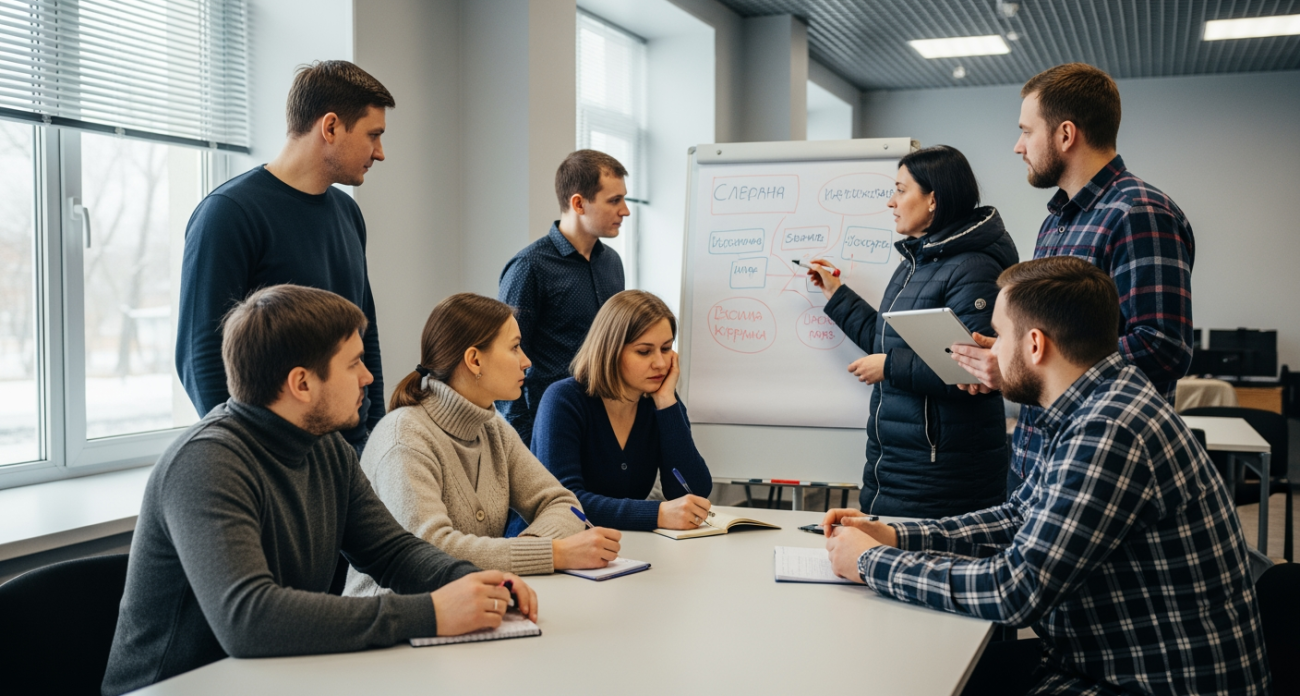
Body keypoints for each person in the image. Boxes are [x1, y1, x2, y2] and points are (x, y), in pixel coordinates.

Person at [823, 257, 1267, 696]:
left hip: (1143, 682)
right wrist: (897, 535)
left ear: (1034, 345)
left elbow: (1014, 590)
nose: (991, 350)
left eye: (999, 336)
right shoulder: (1095, 401)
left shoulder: (1109, 429)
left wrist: (869, 562)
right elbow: (1020, 516)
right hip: (1103, 662)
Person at [103, 285, 538, 696]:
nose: (368, 376)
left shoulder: (326, 447)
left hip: (272, 678)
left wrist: (469, 579)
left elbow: (391, 552)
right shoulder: (206, 464)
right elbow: (249, 620)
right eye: (353, 364)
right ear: (302, 383)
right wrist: (433, 613)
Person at [949, 63, 1195, 494]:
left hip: (1097, 464)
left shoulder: (1138, 214)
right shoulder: (1058, 221)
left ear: (1065, 134)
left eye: (1027, 131)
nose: (1018, 146)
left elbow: (1163, 347)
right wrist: (1008, 351)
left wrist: (1025, 364)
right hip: (1035, 457)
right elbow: (1048, 335)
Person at [177, 60, 394, 451]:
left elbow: (365, 334)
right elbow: (201, 356)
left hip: (351, 451)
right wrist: (252, 456)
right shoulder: (229, 213)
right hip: (274, 458)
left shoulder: (348, 212)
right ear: (330, 127)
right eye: (373, 135)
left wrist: (374, 437)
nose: (380, 153)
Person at [343, 293, 622, 592]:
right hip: (396, 613)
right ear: (475, 360)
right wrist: (553, 553)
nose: (526, 361)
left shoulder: (493, 427)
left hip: (471, 603)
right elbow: (429, 552)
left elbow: (562, 503)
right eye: (515, 347)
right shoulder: (405, 437)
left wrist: (530, 550)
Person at [806, 145, 1018, 518]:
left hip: (942, 474)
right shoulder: (916, 263)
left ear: (933, 199)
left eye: (901, 190)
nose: (891, 202)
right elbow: (884, 339)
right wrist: (836, 295)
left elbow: (973, 370)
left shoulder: (974, 268)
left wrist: (889, 367)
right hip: (897, 465)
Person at [532, 290, 712, 531]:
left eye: (666, 348)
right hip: (552, 545)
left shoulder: (660, 401)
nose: (660, 363)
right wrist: (656, 514)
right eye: (644, 351)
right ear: (610, 350)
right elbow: (565, 503)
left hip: (623, 545)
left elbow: (692, 492)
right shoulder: (563, 400)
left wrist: (667, 403)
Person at [497, 150, 630, 447]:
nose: (625, 211)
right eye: (614, 200)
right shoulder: (529, 267)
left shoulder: (612, 263)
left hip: (607, 421)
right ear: (578, 203)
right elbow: (503, 356)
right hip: (548, 427)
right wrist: (525, 441)